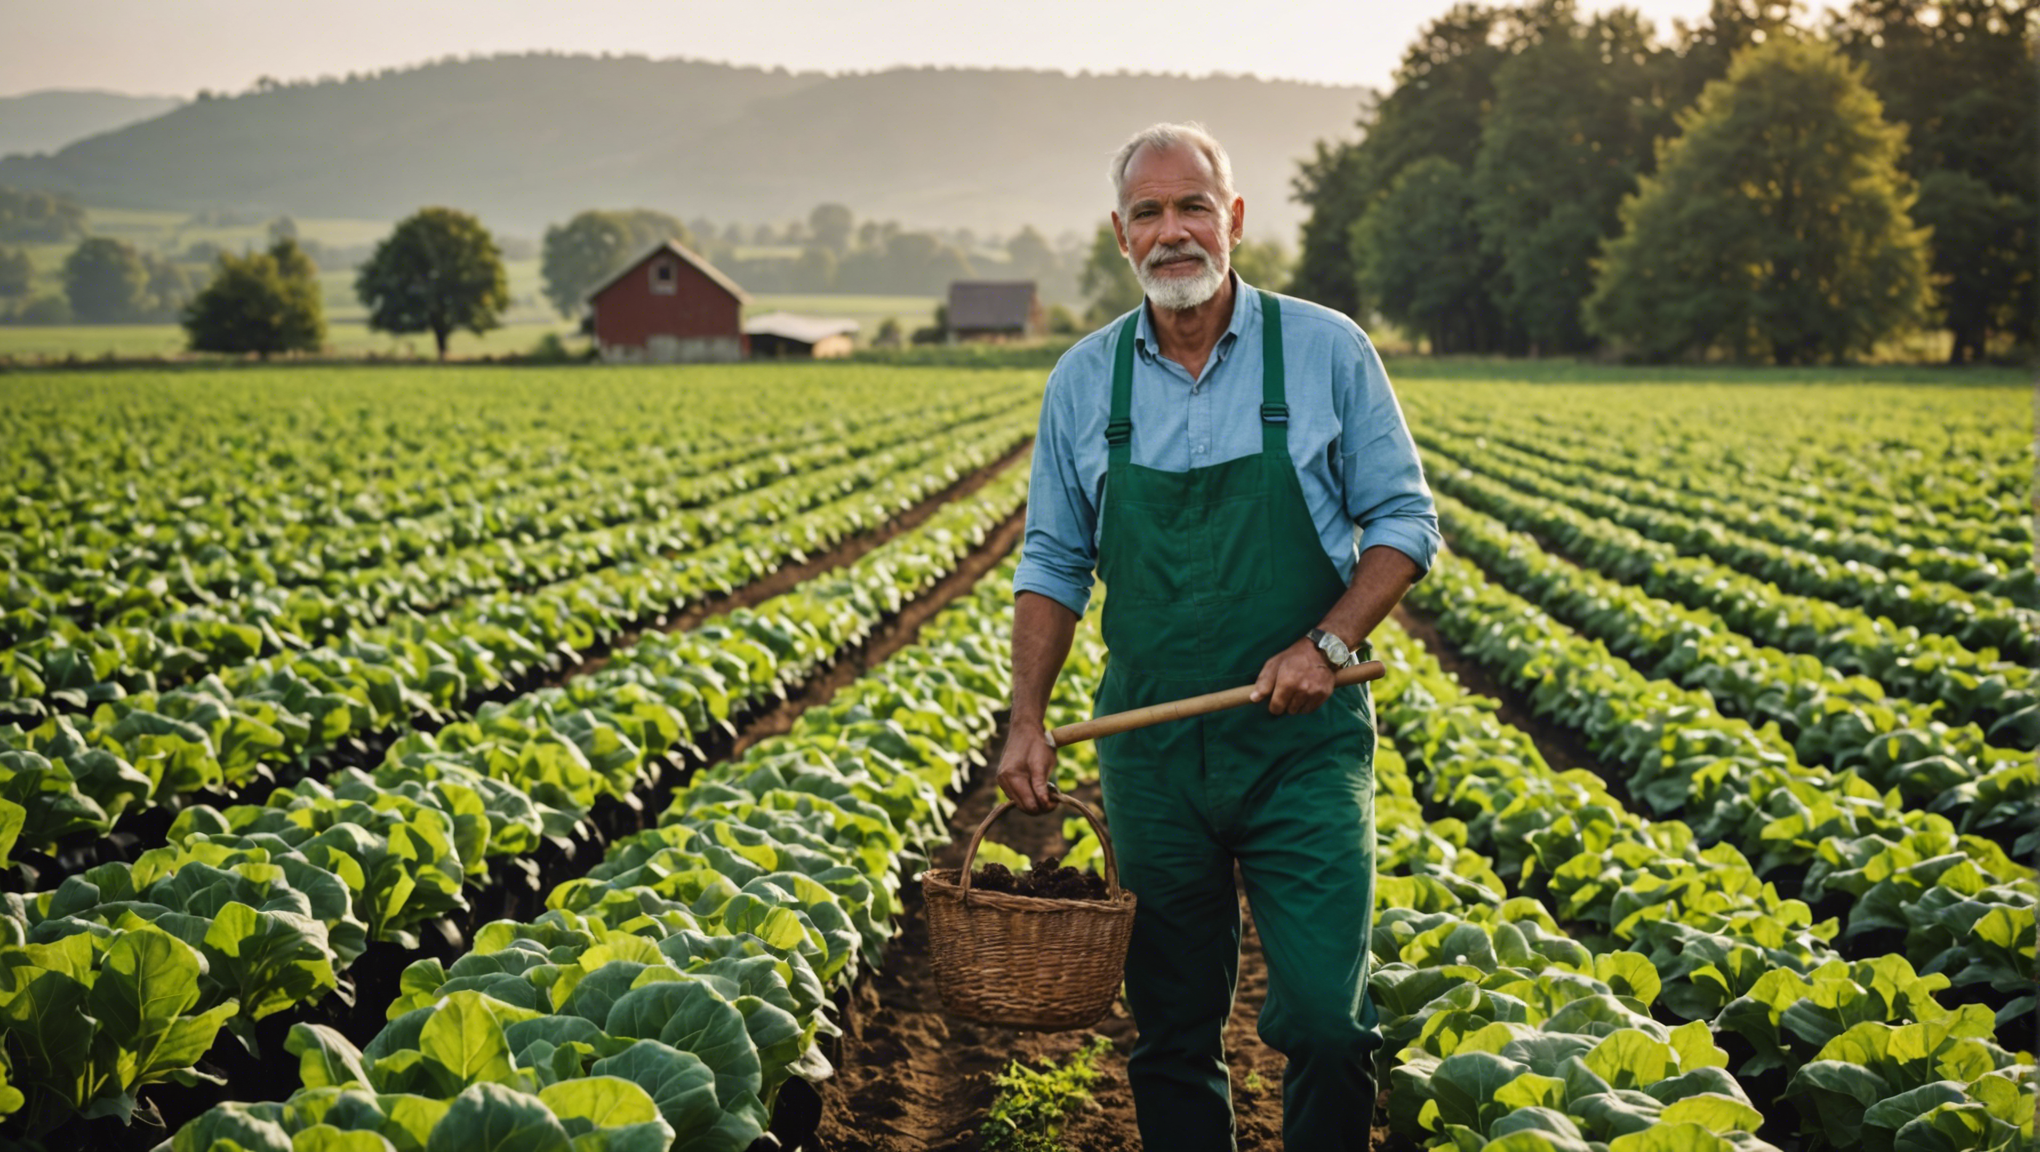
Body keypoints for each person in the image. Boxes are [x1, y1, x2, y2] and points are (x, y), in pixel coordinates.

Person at [1000, 121, 1440, 1151]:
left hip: (1302, 751)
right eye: (1148, 212)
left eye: (1193, 205)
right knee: (1170, 1031)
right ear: (1121, 236)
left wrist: (1327, 645)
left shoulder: (1327, 350)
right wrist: (1027, 717)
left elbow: (1406, 523)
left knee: (1330, 1027)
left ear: (1233, 219)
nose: (1174, 231)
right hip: (1154, 755)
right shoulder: (1083, 383)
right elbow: (1054, 564)